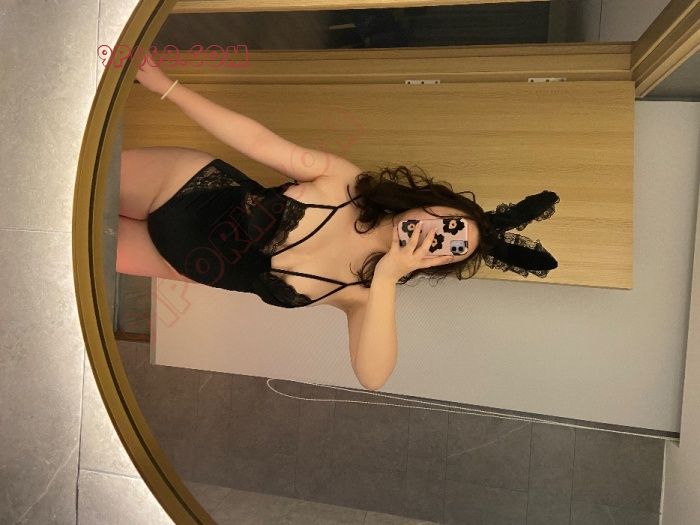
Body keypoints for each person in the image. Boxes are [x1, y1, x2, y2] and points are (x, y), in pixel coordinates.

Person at [117, 52, 558, 391]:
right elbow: (258, 141)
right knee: (77, 180)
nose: (435, 234)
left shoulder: (363, 297)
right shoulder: (347, 184)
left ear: (437, 263)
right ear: (432, 203)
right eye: (449, 223)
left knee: (73, 253)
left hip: (173, 261)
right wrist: (166, 86)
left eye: (450, 246)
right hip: (180, 187)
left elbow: (373, 378)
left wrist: (387, 276)